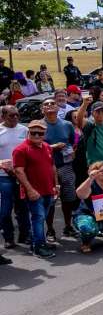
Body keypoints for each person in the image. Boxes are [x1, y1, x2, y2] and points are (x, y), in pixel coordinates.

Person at [12, 120, 58, 258]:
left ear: (45, 133)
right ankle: (39, 247)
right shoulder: (20, 150)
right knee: (38, 218)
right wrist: (30, 190)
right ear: (28, 133)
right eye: (33, 133)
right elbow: (19, 171)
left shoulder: (47, 147)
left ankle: (37, 243)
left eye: (40, 133)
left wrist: (56, 185)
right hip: (34, 192)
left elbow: (52, 167)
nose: (37, 135)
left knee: (41, 218)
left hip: (48, 189)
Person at [42, 98, 78, 239]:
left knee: (68, 198)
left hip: (65, 166)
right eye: (46, 104)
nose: (50, 105)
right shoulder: (38, 125)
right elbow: (34, 146)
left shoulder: (67, 125)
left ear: (58, 108)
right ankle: (50, 230)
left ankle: (68, 226)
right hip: (46, 168)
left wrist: (70, 151)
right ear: (42, 109)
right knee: (50, 200)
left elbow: (71, 142)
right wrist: (53, 147)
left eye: (53, 103)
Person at [0, 106, 29, 250]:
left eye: (17, 115)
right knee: (5, 210)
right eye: (12, 115)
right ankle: (8, 238)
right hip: (3, 176)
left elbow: (29, 151)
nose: (15, 118)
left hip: (21, 175)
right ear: (3, 116)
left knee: (23, 208)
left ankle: (25, 235)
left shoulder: (24, 130)